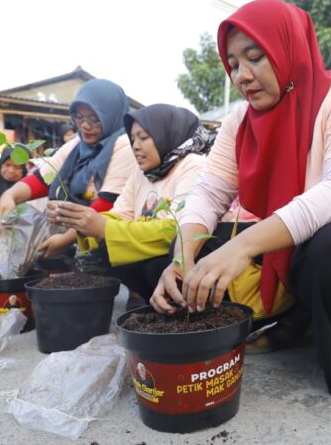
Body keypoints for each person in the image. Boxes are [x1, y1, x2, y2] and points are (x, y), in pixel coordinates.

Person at [150, 0, 331, 405]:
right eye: (233, 64)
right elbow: (209, 192)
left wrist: (242, 247)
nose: (242, 75)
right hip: (292, 253)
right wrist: (181, 259)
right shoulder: (240, 121)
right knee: (170, 248)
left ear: (287, 48)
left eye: (255, 58)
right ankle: (300, 319)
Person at [45, 103, 214, 305]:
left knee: (158, 262)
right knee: (105, 250)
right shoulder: (142, 172)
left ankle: (185, 308)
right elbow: (120, 213)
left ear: (166, 134)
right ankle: (153, 302)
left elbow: (179, 229)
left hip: (192, 260)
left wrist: (104, 227)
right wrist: (78, 218)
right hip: (154, 257)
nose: (135, 145)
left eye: (143, 138)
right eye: (133, 138)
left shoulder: (193, 165)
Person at [0, 79, 136, 258]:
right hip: (77, 233)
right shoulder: (78, 143)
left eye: (95, 119)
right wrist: (10, 195)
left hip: (108, 242)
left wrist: (65, 239)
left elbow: (107, 204)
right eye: (79, 117)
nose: (85, 126)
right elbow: (43, 178)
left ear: (111, 116)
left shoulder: (125, 144)